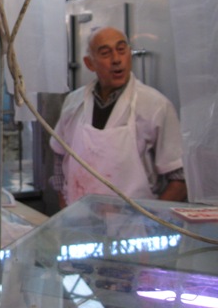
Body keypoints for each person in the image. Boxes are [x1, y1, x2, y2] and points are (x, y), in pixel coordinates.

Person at [50, 26, 187, 208]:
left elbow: (180, 178)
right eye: (105, 53)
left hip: (135, 228)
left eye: (121, 50)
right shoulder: (73, 103)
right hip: (80, 221)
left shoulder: (155, 105)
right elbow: (60, 158)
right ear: (89, 63)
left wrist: (150, 222)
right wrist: (65, 212)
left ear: (129, 54)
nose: (116, 60)